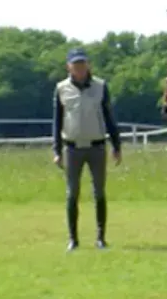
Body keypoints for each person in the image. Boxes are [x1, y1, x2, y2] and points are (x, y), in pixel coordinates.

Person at [52, 48, 122, 251]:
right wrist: (56, 150)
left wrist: (116, 146)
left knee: (99, 192)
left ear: (88, 65)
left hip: (97, 146)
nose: (80, 68)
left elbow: (109, 117)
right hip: (72, 148)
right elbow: (57, 122)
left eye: (83, 64)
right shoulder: (61, 89)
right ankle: (73, 239)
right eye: (76, 65)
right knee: (72, 193)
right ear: (69, 67)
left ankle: (101, 238)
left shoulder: (100, 86)